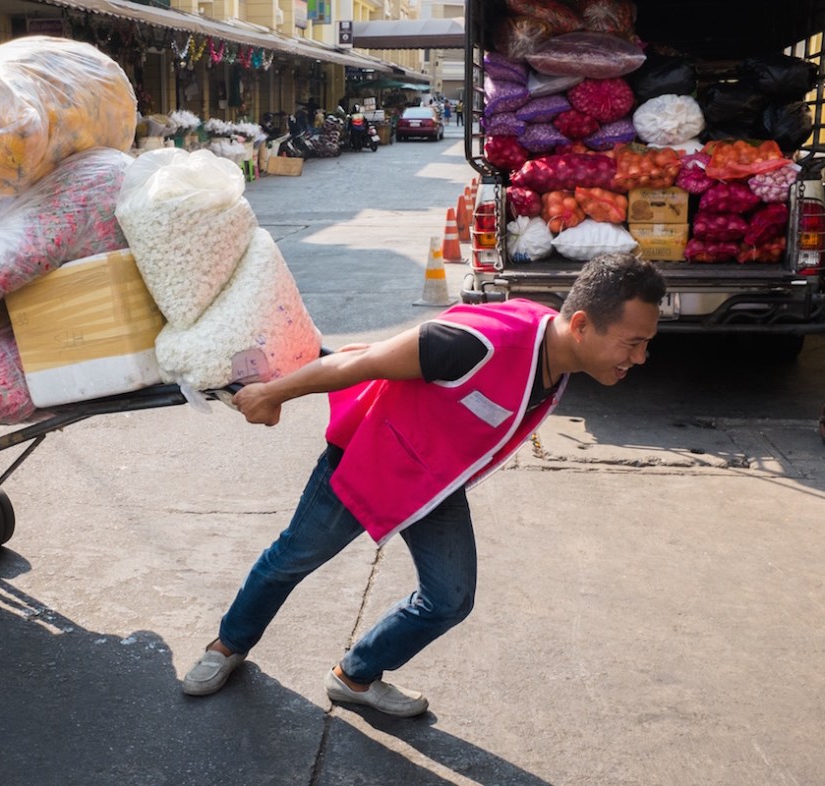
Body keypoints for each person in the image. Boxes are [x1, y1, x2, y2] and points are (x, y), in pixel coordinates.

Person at [181, 253, 667, 717]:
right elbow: (361, 363)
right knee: (293, 558)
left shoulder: (557, 358)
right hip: (366, 461)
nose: (641, 358)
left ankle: (355, 677)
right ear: (581, 325)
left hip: (431, 484)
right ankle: (227, 645)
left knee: (449, 598)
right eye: (632, 343)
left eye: (646, 344)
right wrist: (269, 393)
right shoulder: (480, 343)